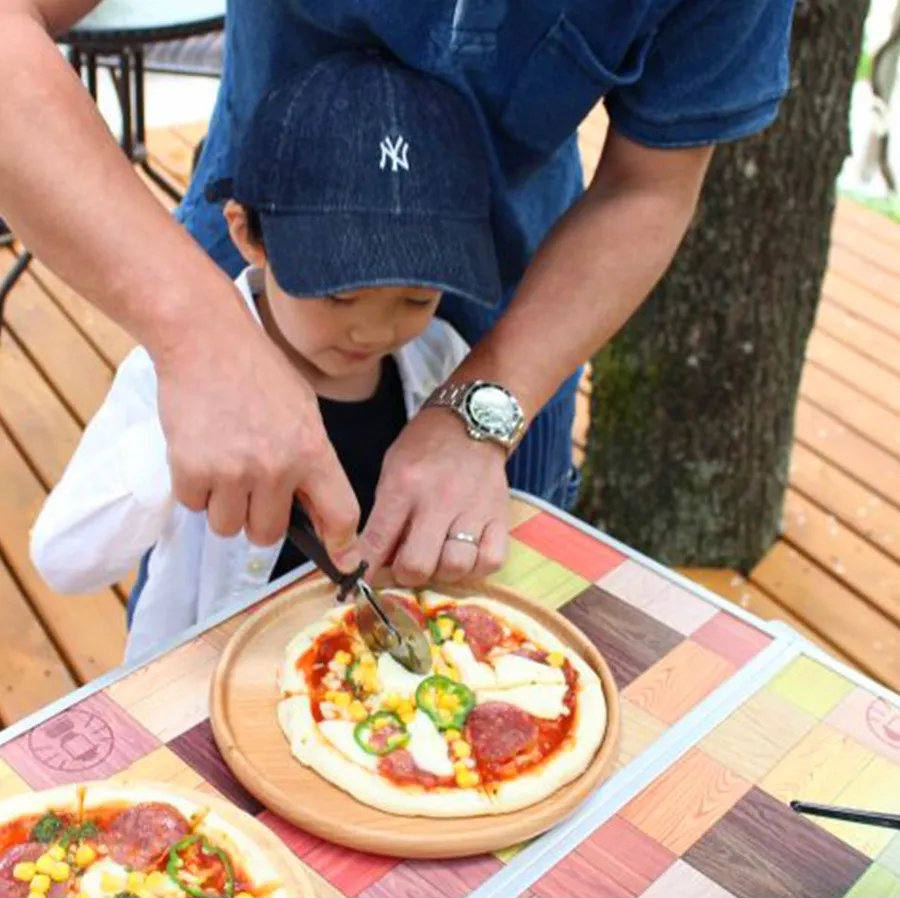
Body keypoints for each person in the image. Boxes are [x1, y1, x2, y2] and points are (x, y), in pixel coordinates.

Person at [0, 0, 795, 588]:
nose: (372, 326)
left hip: (514, 290)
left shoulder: (448, 347)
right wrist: (201, 336)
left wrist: (487, 406)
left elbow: (650, 185)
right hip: (278, 253)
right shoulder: (230, 281)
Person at [29, 51, 500, 662]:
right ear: (248, 234)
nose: (375, 328)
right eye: (339, 293)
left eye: (418, 295)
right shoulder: (172, 375)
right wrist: (173, 447)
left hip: (369, 676)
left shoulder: (441, 358)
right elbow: (62, 559)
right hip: (202, 679)